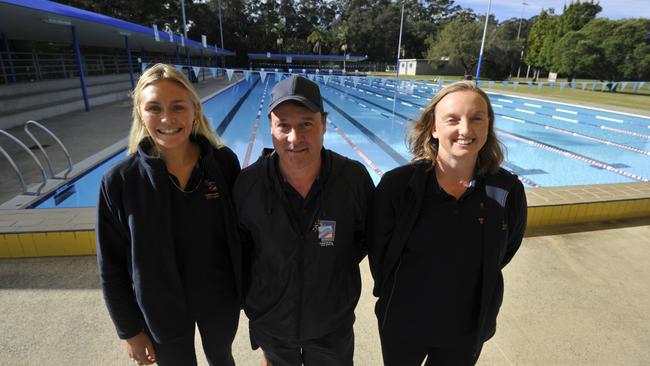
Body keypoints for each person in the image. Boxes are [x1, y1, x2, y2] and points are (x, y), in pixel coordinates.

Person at [368, 80, 527, 365]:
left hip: (466, 329)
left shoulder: (507, 190)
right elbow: (379, 254)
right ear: (433, 127)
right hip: (403, 324)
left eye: (476, 118)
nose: (465, 130)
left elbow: (505, 249)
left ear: (488, 125)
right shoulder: (397, 186)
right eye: (452, 119)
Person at [96, 63, 242, 366]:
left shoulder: (223, 163)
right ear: (140, 113)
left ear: (195, 110)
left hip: (220, 299)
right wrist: (129, 330)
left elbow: (245, 234)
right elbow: (110, 266)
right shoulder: (120, 182)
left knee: (223, 359)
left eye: (178, 107)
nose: (167, 119)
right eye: (154, 108)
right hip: (160, 308)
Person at [233, 75, 374, 366]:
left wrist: (326, 265)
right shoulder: (249, 185)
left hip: (331, 326)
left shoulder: (353, 180)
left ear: (323, 123)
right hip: (272, 324)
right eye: (283, 125)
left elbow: (363, 240)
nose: (294, 138)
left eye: (306, 124)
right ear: (270, 127)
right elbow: (242, 252)